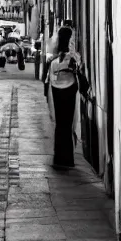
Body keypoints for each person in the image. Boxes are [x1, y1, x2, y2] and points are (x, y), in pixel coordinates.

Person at [46, 27, 81, 168]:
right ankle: (67, 158)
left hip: (56, 88)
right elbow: (79, 68)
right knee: (68, 123)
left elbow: (49, 76)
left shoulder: (54, 57)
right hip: (70, 87)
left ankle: (59, 157)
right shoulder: (73, 56)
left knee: (60, 124)